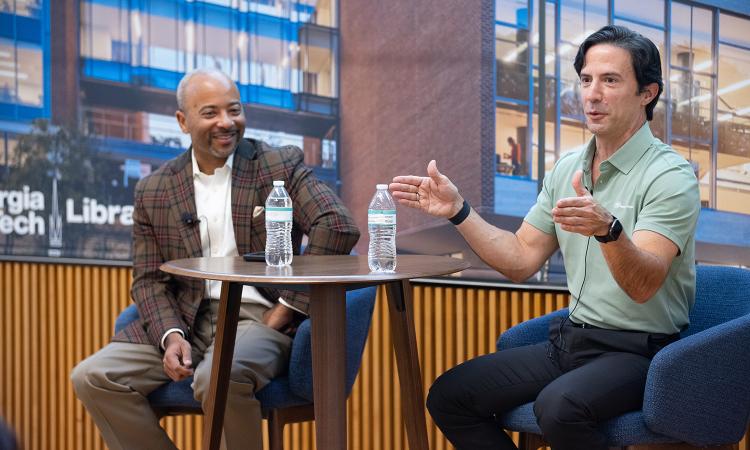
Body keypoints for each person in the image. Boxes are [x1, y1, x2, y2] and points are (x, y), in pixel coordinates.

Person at [390, 25, 700, 450]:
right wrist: (459, 211)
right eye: (586, 80)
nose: (592, 94)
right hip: (574, 340)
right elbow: (520, 259)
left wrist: (609, 232)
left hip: (642, 353)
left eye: (610, 81)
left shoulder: (670, 175)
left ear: (647, 93)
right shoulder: (566, 167)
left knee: (558, 408)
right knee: (450, 397)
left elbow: (644, 286)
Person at [71, 68, 360, 450]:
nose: (226, 123)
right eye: (210, 113)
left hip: (258, 319)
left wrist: (289, 306)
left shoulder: (276, 165)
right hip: (185, 320)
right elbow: (147, 279)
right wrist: (169, 334)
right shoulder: (154, 189)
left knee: (216, 378)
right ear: (182, 121)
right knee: (92, 376)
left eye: (234, 110)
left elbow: (336, 224)